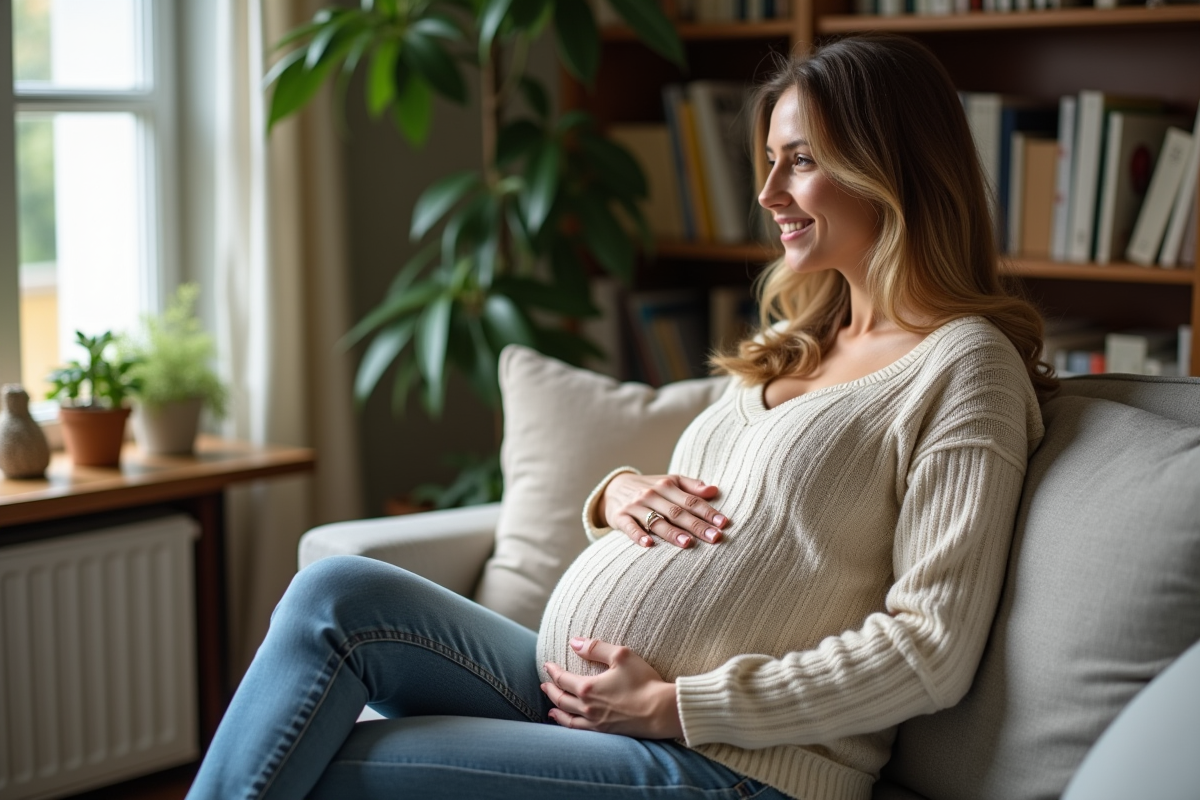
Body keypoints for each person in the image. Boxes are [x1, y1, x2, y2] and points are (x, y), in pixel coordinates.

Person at [187, 33, 1054, 800]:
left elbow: (929, 647)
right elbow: (716, 503)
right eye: (769, 160)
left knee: (321, 762)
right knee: (339, 593)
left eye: (798, 160)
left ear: (888, 167)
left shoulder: (963, 367)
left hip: (735, 768)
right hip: (585, 698)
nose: (765, 193)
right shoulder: (799, 338)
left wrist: (680, 705)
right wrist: (617, 493)